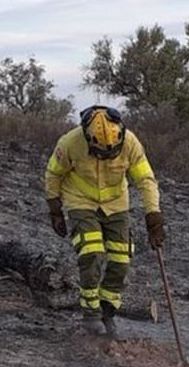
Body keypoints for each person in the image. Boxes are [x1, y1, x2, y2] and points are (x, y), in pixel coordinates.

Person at [44, 106, 163, 338]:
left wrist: (153, 216)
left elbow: (146, 180)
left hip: (116, 204)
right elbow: (53, 173)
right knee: (92, 253)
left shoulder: (130, 143)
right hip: (80, 201)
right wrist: (55, 208)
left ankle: (107, 312)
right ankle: (91, 316)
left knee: (121, 260)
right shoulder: (70, 142)